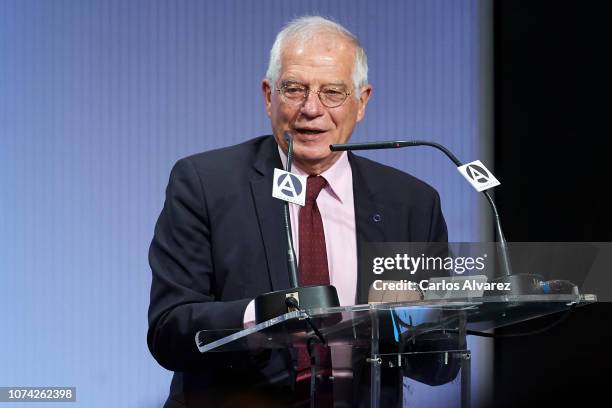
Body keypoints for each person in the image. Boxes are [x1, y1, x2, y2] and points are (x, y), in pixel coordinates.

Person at [148, 16, 447, 407]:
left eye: (333, 92)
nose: (311, 109)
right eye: (295, 89)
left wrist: (411, 324)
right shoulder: (205, 184)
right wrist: (264, 316)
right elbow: (169, 332)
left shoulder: (411, 202)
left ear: (362, 102)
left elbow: (441, 365)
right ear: (268, 95)